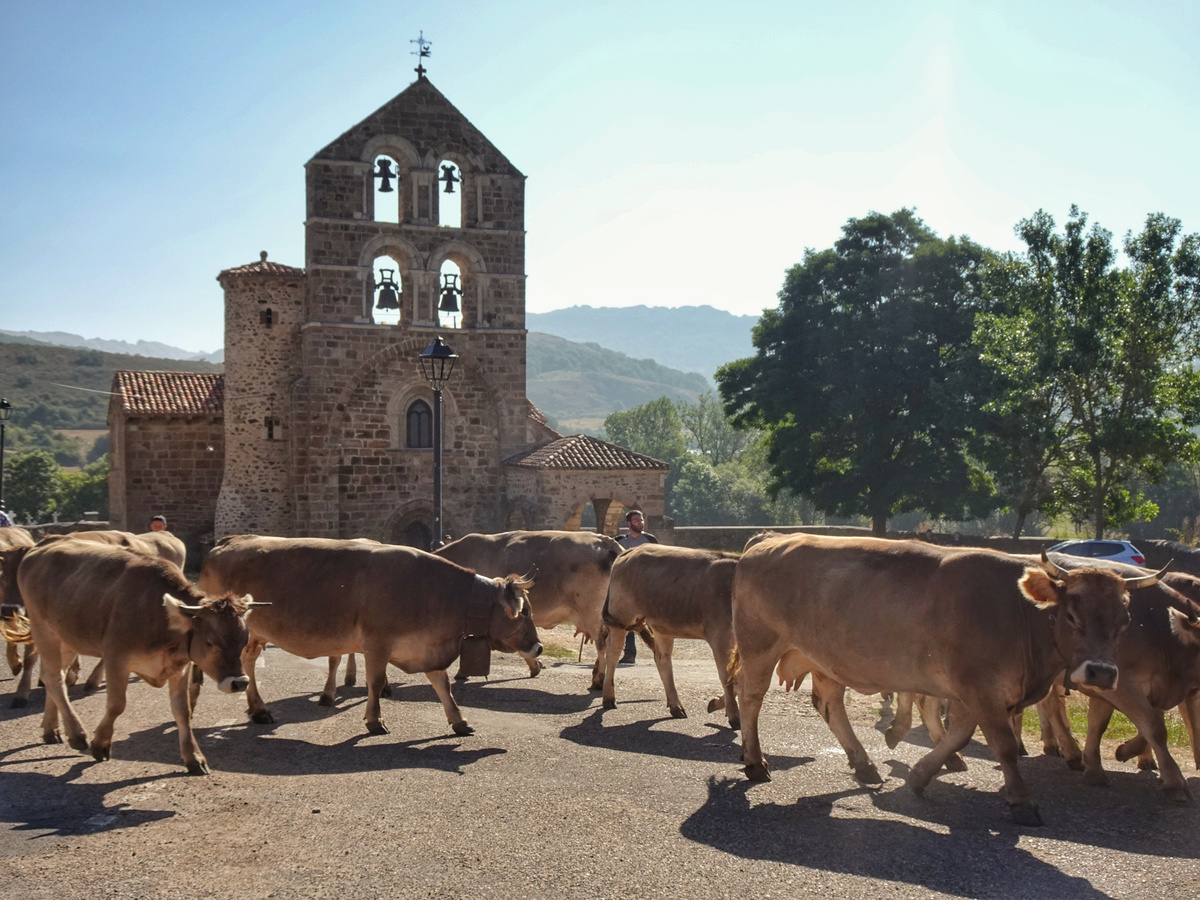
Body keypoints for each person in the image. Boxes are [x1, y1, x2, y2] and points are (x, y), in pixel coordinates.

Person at [615, 509, 658, 664]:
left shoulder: (650, 540)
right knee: (628, 620)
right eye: (636, 521)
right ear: (629, 524)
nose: (640, 523)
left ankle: (658, 651)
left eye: (641, 520)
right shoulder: (619, 542)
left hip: (647, 586)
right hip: (627, 587)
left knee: (652, 619)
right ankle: (629, 653)